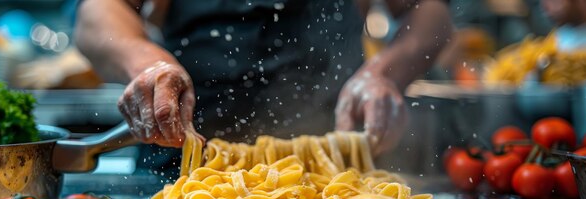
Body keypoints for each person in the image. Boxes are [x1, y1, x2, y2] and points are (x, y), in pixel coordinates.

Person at [75, 0, 452, 156]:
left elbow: (430, 11)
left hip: (332, 168)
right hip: (180, 163)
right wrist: (147, 65)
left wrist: (383, 74)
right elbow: (98, 12)